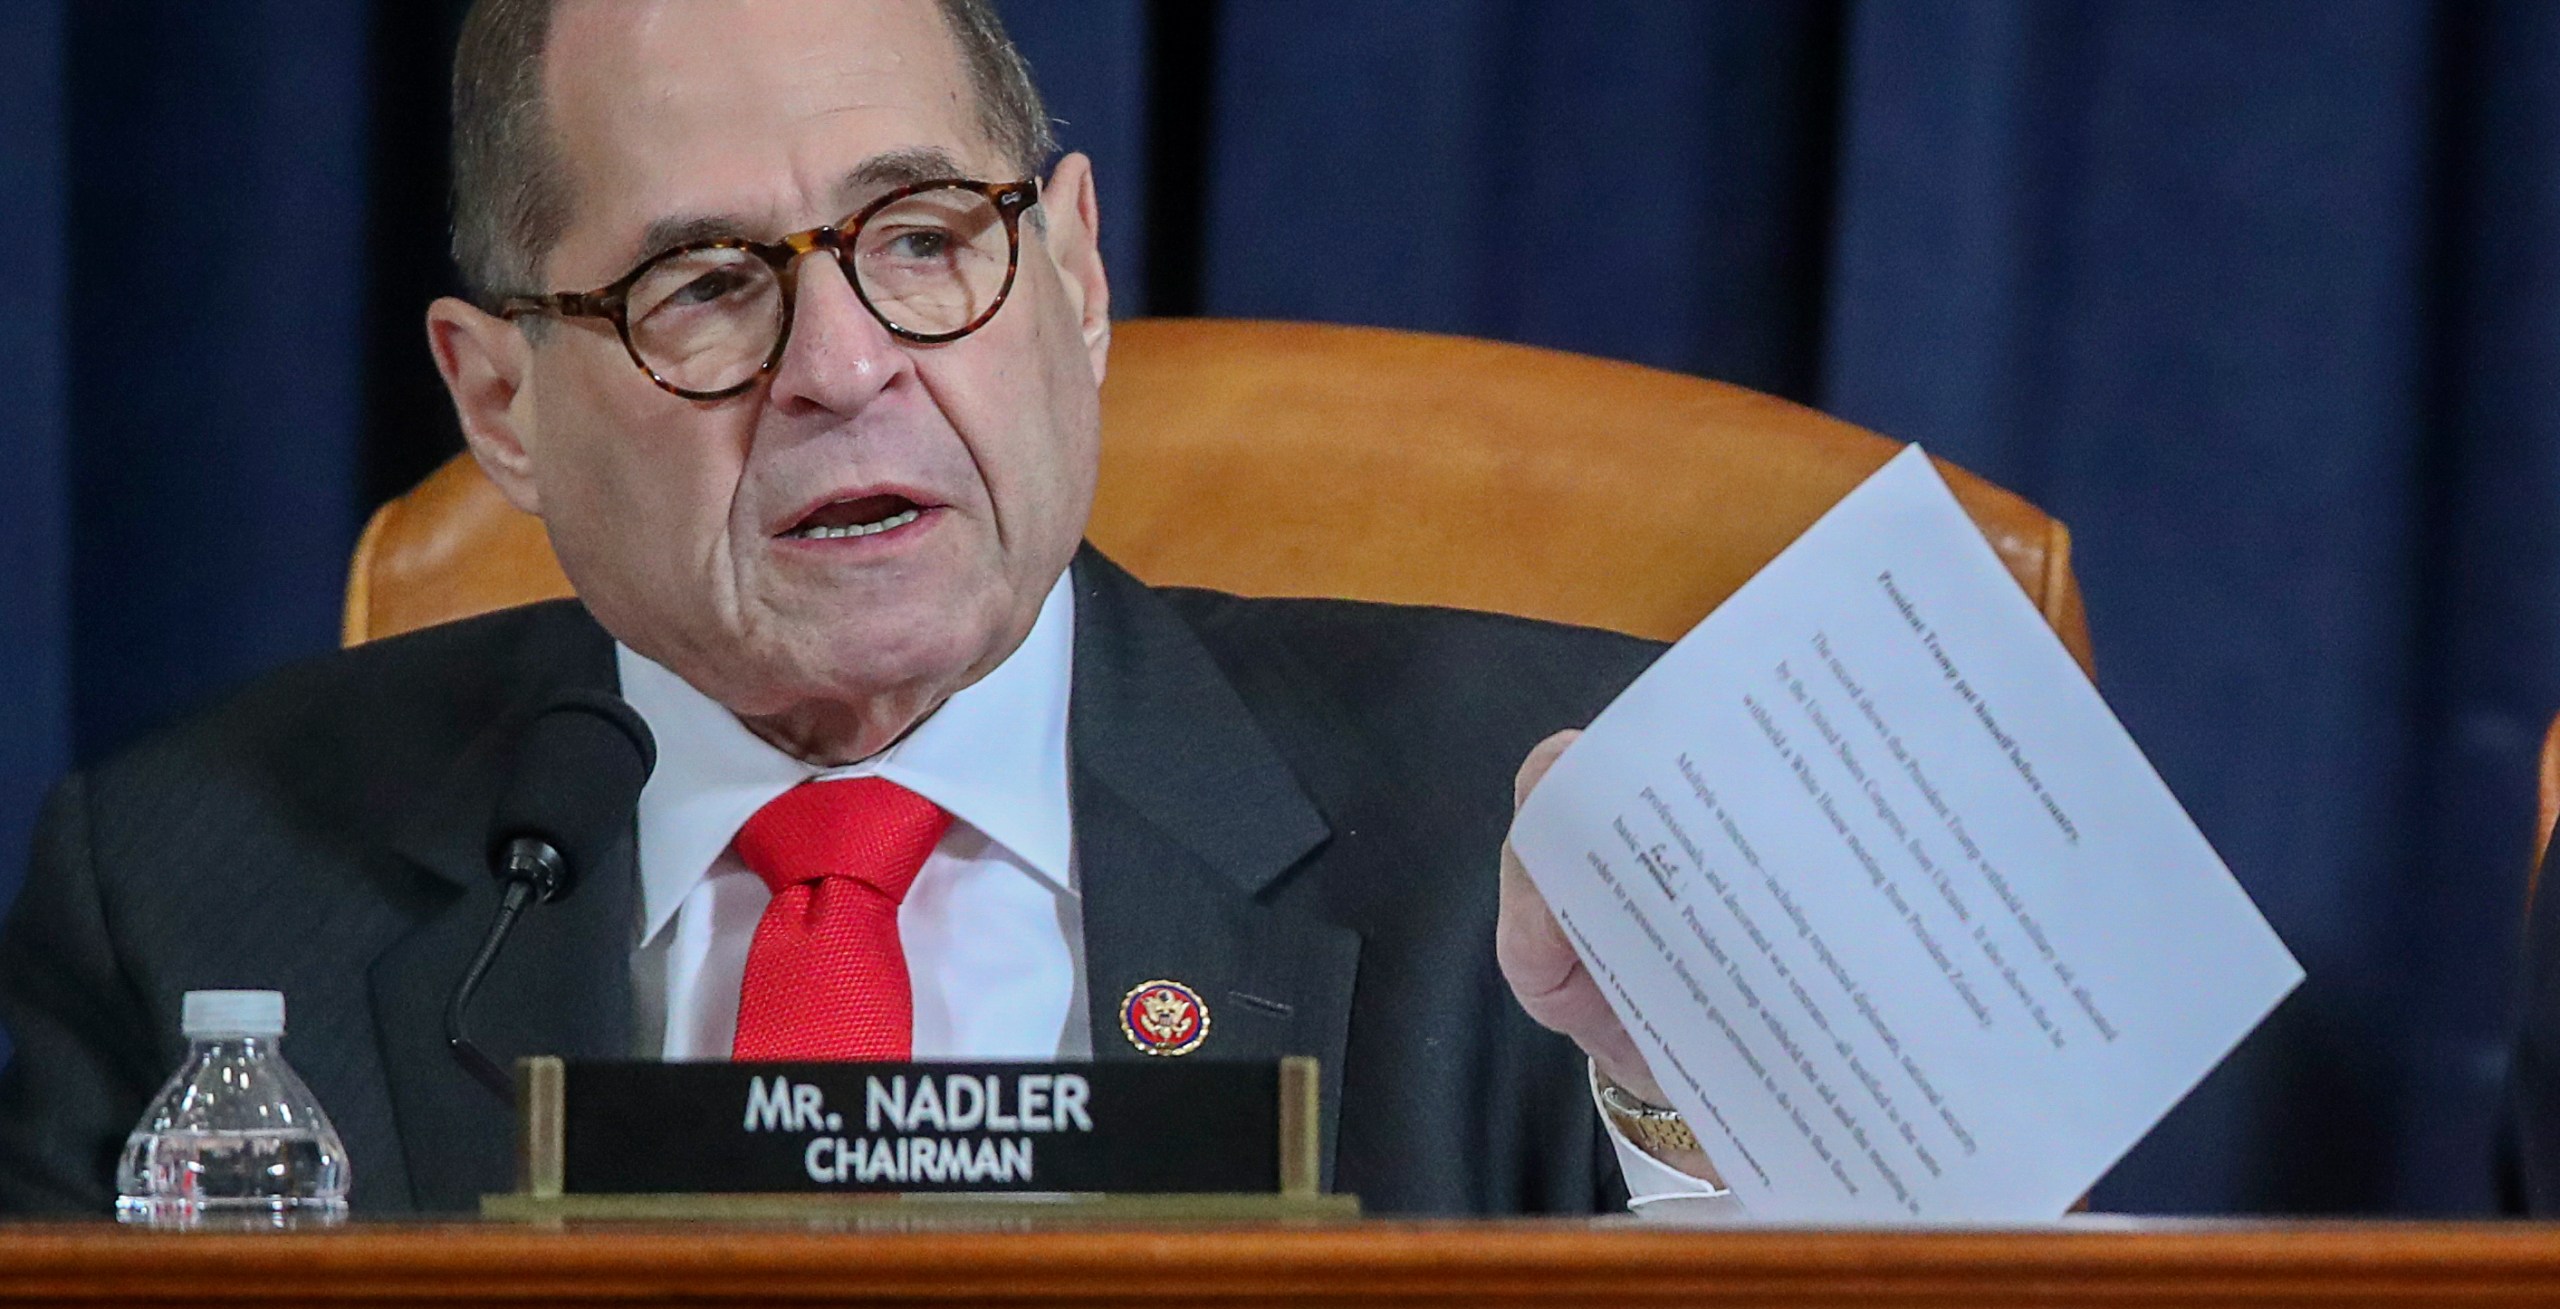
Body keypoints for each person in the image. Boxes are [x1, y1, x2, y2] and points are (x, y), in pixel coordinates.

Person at [0, 0, 1718, 1216]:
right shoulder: (184, 893)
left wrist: (1694, 1102)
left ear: (1074, 270)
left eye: (919, 236)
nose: (843, 368)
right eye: (705, 286)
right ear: (499, 403)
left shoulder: (1556, 826)